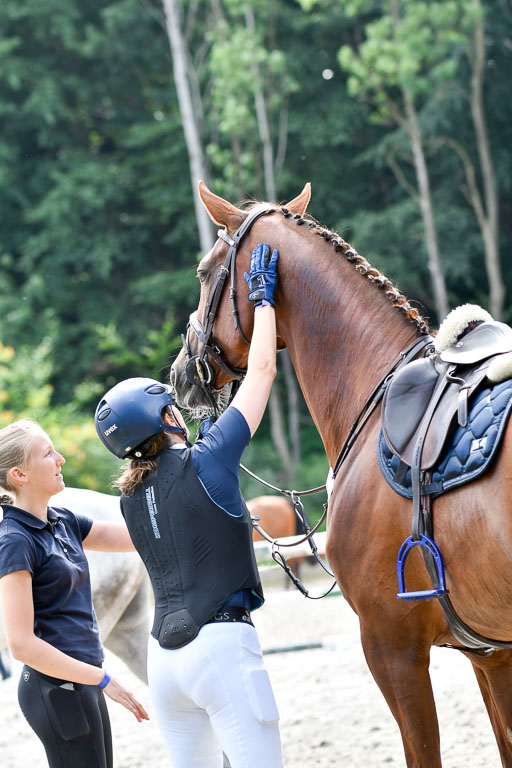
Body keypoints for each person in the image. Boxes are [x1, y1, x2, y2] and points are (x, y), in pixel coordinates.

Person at [94, 243, 283, 768]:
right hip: (222, 645)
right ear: (167, 420)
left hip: (165, 661)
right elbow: (262, 370)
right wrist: (263, 299)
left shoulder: (130, 498)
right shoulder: (210, 458)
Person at [0, 419, 149, 768]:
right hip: (56, 688)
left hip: (83, 680)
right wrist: (104, 679)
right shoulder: (14, 542)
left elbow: (136, 538)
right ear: (20, 475)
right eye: (47, 453)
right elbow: (20, 644)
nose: (61, 458)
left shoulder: (62, 520)